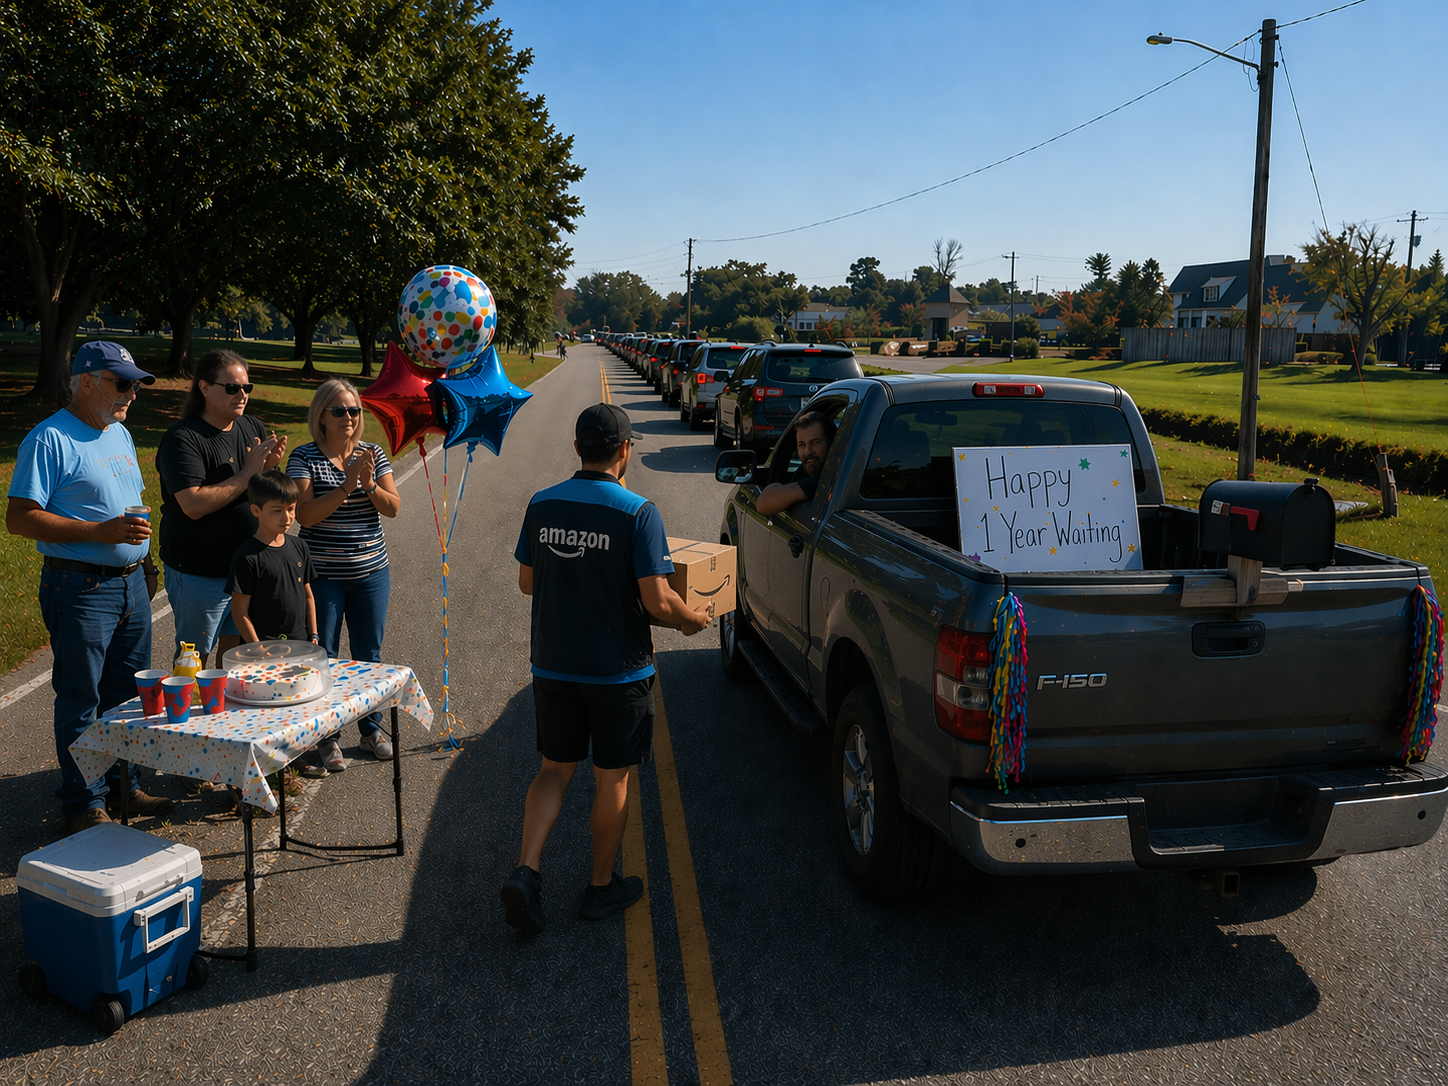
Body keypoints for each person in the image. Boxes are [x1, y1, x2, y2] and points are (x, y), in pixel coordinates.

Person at [500, 403, 713, 935]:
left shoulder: (542, 503)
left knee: (553, 769)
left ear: (577, 448)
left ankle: (527, 871)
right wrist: (694, 621)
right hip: (617, 671)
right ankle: (600, 886)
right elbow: (660, 603)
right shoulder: (639, 512)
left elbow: (528, 583)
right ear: (624, 451)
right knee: (610, 777)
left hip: (553, 664)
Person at [5, 341, 174, 835]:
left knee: (129, 695)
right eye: (122, 383)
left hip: (131, 586)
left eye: (136, 385)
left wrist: (145, 565)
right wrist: (97, 533)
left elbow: (129, 509)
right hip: (79, 587)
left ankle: (124, 783)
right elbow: (19, 518)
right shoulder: (49, 439)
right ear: (86, 380)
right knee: (82, 696)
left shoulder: (118, 433)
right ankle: (84, 802)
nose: (132, 395)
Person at [287, 379, 401, 769]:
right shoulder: (304, 458)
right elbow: (304, 515)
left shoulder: (374, 454)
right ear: (321, 415)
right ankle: (327, 737)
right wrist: (346, 485)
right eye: (339, 410)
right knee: (326, 656)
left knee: (369, 657)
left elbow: (393, 508)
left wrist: (367, 484)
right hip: (323, 575)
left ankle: (370, 730)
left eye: (354, 410)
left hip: (371, 572)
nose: (349, 417)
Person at [156, 349, 286, 666]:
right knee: (193, 661)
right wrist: (247, 475)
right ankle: (183, 714)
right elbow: (193, 505)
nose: (242, 395)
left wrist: (268, 472)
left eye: (246, 388)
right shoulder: (183, 438)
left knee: (235, 659)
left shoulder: (251, 427)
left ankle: (225, 713)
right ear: (204, 387)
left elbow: (258, 494)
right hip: (200, 573)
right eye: (232, 388)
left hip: (244, 572)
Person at [226, 470, 318, 645]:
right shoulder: (247, 557)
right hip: (262, 649)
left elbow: (308, 596)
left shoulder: (300, 547)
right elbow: (239, 613)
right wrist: (257, 647)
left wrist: (313, 634)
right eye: (277, 510)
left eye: (291, 509)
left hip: (300, 644)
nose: (287, 517)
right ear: (255, 510)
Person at [756, 411, 836, 516]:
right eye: (802, 445)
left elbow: (764, 504)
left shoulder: (830, 479)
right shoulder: (803, 472)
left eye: (815, 442)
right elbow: (763, 504)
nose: (808, 451)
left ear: (831, 443)